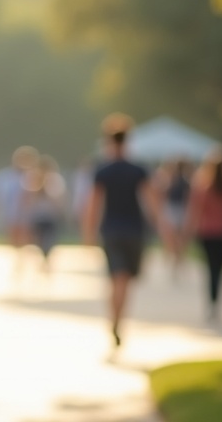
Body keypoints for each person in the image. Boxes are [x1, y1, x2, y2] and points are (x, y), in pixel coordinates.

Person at [83, 113, 161, 348]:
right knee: (124, 280)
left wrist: (88, 235)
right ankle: (119, 320)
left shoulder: (103, 170)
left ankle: (114, 320)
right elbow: (153, 204)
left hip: (111, 231)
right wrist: (165, 230)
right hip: (134, 231)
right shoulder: (138, 170)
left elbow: (93, 207)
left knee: (116, 278)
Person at [184, 147, 222, 322]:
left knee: (210, 269)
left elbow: (194, 212)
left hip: (207, 234)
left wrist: (188, 233)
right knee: (220, 270)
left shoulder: (202, 188)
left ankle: (211, 301)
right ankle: (216, 300)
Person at [0, 145, 39, 271]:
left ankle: (25, 261)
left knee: (27, 239)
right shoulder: (4, 177)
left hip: (27, 215)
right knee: (14, 240)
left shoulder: (33, 177)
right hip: (9, 214)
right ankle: (18, 260)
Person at [21, 154, 68, 273]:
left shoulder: (55, 180)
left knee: (49, 241)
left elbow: (59, 199)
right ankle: (41, 260)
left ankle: (46, 260)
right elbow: (28, 199)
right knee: (39, 241)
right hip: (38, 217)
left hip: (50, 217)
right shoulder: (33, 179)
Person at [153, 157, 193, 279]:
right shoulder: (179, 181)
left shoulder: (176, 181)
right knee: (176, 236)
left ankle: (175, 257)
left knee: (175, 236)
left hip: (176, 209)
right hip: (177, 209)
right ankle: (176, 257)